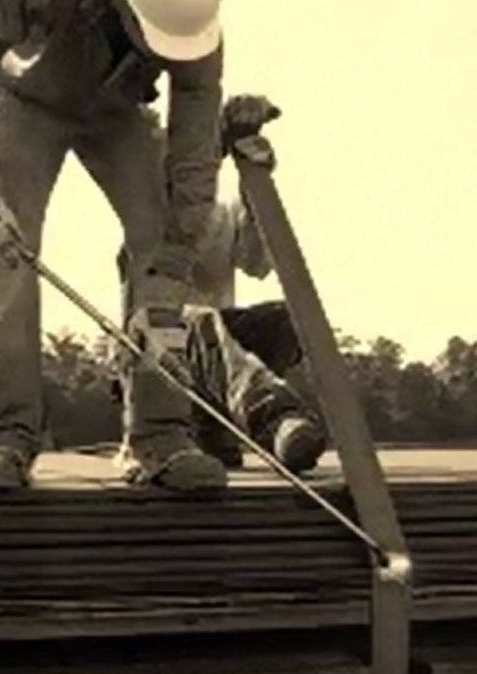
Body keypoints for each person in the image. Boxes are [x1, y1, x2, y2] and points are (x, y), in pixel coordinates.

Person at [0, 0, 233, 493]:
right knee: (10, 247)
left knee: (156, 237)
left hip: (119, 111)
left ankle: (159, 437)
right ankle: (8, 432)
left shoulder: (196, 21)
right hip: (26, 101)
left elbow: (193, 160)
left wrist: (169, 272)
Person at [111, 97, 325, 472]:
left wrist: (255, 187)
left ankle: (219, 428)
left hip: (220, 351)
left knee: (284, 319)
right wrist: (221, 139)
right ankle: (273, 418)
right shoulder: (141, 215)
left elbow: (258, 263)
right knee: (191, 318)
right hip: (150, 355)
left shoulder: (220, 212)